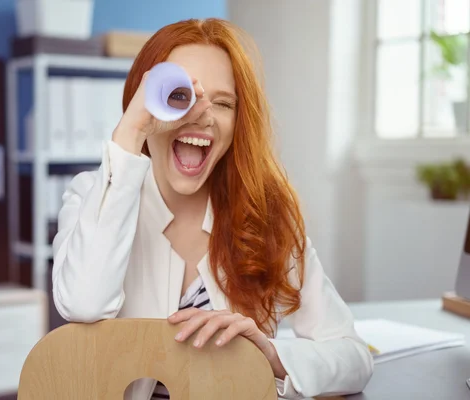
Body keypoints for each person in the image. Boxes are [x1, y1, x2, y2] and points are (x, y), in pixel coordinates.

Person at [51, 18, 374, 400]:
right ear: (144, 104)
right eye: (178, 96)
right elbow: (82, 304)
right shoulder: (93, 195)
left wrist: (269, 355)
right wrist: (129, 134)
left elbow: (353, 357)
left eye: (222, 103)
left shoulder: (264, 216)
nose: (202, 115)